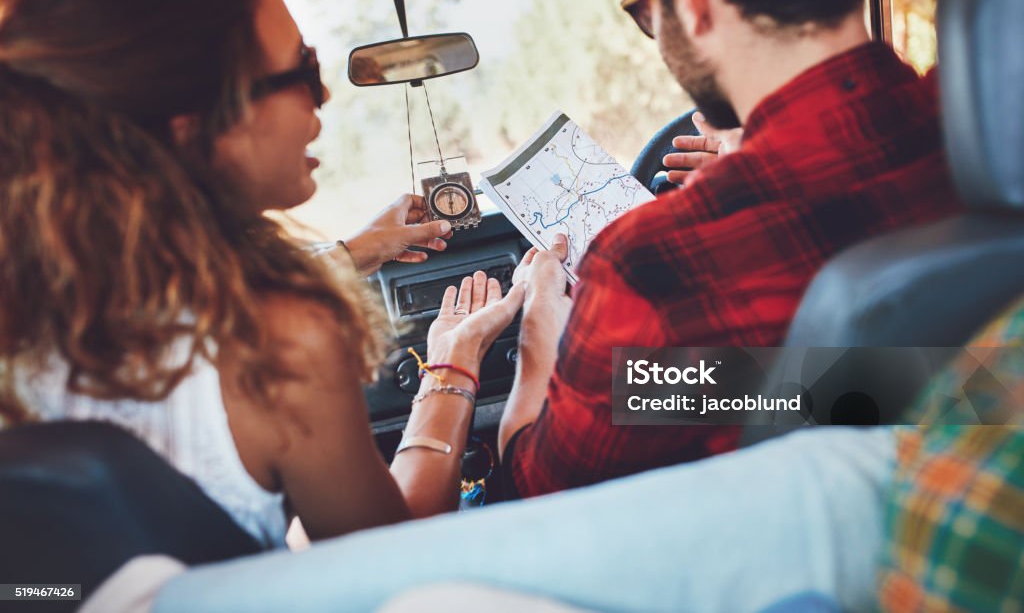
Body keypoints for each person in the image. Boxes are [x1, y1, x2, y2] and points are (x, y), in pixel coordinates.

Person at [0, 0, 524, 549]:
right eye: (301, 70)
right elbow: (387, 552)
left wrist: (355, 252)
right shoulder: (280, 341)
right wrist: (453, 362)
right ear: (197, 124)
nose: (324, 94)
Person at [139, 295, 1024, 613]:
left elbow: (534, 484)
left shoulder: (650, 261)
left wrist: (534, 362)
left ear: (691, 1)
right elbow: (885, 391)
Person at [498, 0, 963, 498]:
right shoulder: (982, 134)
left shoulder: (649, 269)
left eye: (650, 2)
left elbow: (540, 493)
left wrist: (539, 321)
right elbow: (872, 383)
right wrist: (756, 160)